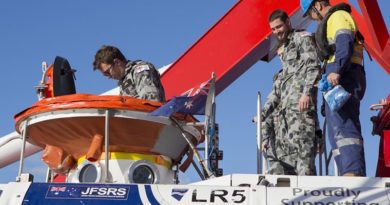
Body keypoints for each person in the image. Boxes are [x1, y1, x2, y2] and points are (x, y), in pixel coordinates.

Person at [300, 0, 366, 176]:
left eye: (311, 14)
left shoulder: (338, 16)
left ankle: (353, 172)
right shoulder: (331, 20)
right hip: (337, 76)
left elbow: (344, 43)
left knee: (345, 124)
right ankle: (346, 172)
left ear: (318, 6)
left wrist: (337, 70)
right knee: (336, 129)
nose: (313, 19)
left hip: (346, 74)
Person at [263, 9, 321, 175]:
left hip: (301, 109)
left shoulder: (301, 38)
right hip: (287, 117)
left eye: (279, 27)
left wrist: (306, 94)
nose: (276, 32)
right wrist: (264, 113)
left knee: (304, 162)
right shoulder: (285, 48)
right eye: (273, 29)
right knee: (287, 167)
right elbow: (282, 85)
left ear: (288, 22)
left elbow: (312, 67)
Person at [93, 45, 165, 102]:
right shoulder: (124, 80)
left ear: (117, 62)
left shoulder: (140, 70)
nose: (108, 76)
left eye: (107, 72)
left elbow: (151, 101)